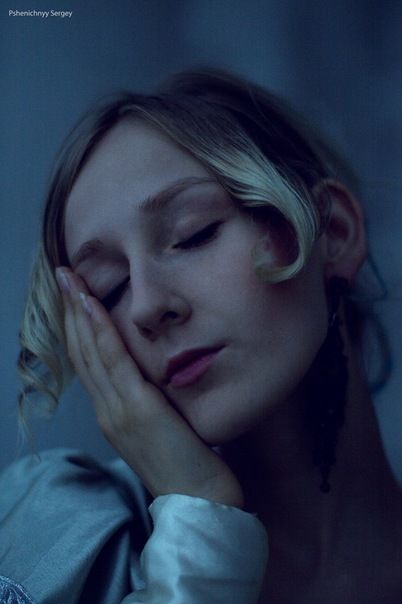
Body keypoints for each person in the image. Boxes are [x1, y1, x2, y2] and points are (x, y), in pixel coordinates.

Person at [1, 68, 401, 604]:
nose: (146, 306)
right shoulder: (55, 535)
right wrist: (200, 513)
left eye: (194, 234)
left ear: (333, 233)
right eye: (110, 288)